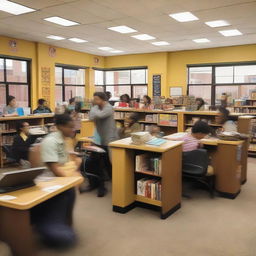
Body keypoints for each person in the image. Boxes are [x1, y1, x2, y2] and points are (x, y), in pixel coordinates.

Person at [31, 114, 82, 248]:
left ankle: (63, 223)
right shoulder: (50, 141)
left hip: (60, 181)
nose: (73, 130)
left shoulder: (64, 139)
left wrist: (75, 168)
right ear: (60, 127)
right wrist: (73, 179)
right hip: (48, 181)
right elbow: (55, 170)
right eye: (70, 127)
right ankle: (42, 223)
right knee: (65, 239)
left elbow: (68, 161)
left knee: (69, 194)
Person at [88, 92, 118, 196]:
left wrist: (93, 108)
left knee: (109, 163)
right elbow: (91, 118)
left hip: (109, 139)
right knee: (96, 162)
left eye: (96, 99)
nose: (94, 101)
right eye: (94, 99)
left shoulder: (108, 107)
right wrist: (95, 108)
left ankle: (117, 184)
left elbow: (99, 116)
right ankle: (100, 186)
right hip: (99, 138)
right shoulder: (97, 107)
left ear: (103, 100)